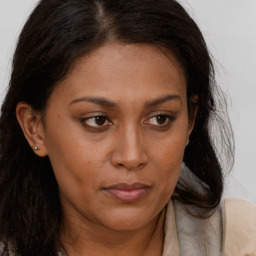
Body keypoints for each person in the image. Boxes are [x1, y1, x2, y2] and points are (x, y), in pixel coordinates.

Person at [0, 0, 255, 255]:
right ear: (35, 128)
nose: (132, 156)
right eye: (97, 120)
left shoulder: (241, 242)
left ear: (190, 121)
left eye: (160, 118)